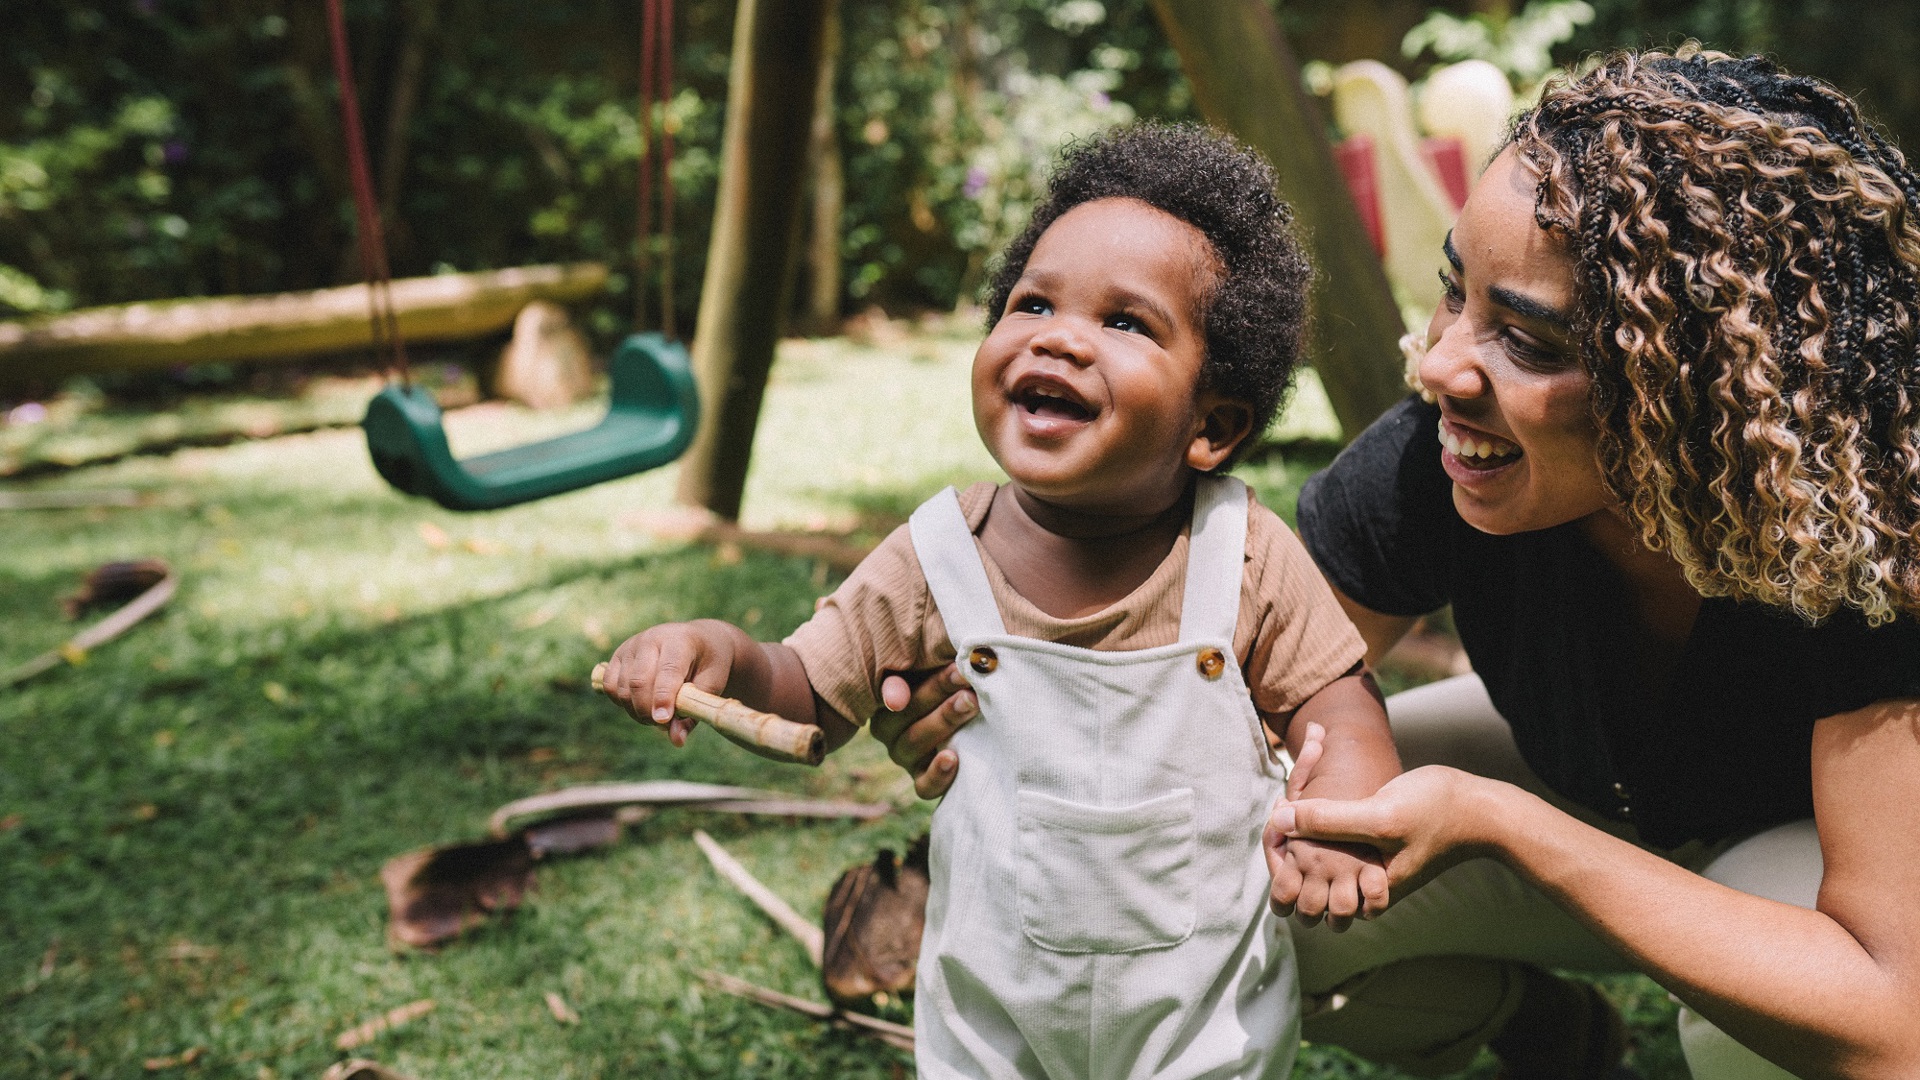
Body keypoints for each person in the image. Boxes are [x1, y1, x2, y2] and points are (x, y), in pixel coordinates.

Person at [879, 51, 1920, 1080]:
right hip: (1611, 800)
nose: (1440, 366)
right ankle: (1534, 1028)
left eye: (1531, 341)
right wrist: (997, 696)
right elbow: (1200, 686)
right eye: (1454, 294)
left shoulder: (1863, 544)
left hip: (1819, 875)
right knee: (1229, 850)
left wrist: (1505, 827)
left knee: (1755, 1046)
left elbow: (1890, 1025)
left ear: (1699, 383)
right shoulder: (1438, 460)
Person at [598, 123, 1403, 1079]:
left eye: (1125, 323)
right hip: (992, 1013)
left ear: (1212, 425)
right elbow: (803, 691)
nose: (1059, 335)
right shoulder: (937, 556)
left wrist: (1348, 814)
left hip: (1201, 1016)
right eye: (1032, 303)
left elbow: (1338, 704)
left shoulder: (1241, 556)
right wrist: (716, 653)